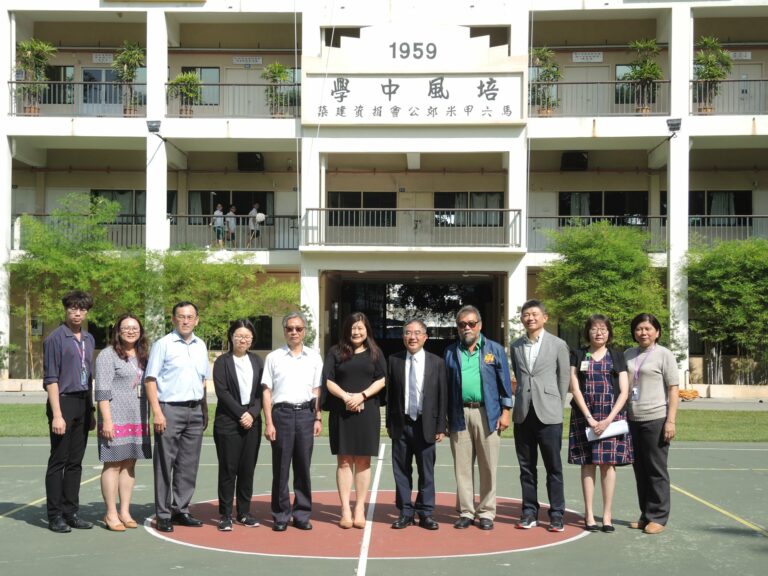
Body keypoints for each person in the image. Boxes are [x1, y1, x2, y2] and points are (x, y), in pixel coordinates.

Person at [444, 305, 512, 531]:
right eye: (462, 324)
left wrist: (506, 411)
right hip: (459, 413)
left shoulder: (494, 349)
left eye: (471, 323)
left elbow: (505, 383)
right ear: (457, 327)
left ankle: (486, 512)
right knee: (462, 467)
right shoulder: (450, 352)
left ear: (479, 325)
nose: (467, 328)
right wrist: (444, 417)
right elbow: (445, 387)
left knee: (488, 466)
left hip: (487, 413)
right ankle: (466, 511)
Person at [144, 301, 209, 533]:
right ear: (173, 319)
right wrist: (157, 412)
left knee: (188, 464)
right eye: (181, 316)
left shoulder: (201, 346)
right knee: (165, 463)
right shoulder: (163, 344)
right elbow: (150, 380)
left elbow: (202, 380)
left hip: (195, 410)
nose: (185, 321)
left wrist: (204, 410)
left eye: (190, 317)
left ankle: (181, 509)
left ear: (196, 320)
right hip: (169, 410)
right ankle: (163, 514)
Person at [568, 314, 633, 533]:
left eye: (603, 329)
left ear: (609, 333)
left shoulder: (617, 355)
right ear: (587, 332)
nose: (599, 333)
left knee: (608, 464)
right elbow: (575, 387)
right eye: (594, 329)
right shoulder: (578, 354)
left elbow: (624, 391)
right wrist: (590, 418)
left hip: (611, 417)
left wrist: (608, 420)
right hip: (584, 416)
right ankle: (589, 515)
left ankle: (606, 515)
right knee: (588, 463)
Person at [510, 299, 570, 532]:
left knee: (553, 467)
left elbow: (563, 378)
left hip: (549, 414)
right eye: (526, 315)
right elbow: (520, 376)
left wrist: (557, 405)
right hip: (523, 413)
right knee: (526, 468)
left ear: (545, 317)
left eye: (535, 314)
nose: (530, 318)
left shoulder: (558, 344)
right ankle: (529, 512)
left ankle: (556, 514)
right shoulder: (516, 346)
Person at [323, 312, 386, 529]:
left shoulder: (375, 352)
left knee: (363, 461)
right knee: (343, 461)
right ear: (346, 330)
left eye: (360, 328)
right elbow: (328, 379)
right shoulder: (335, 352)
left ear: (367, 329)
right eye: (353, 328)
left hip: (366, 412)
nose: (356, 332)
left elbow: (382, 379)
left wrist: (362, 396)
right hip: (342, 412)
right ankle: (345, 509)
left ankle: (359, 508)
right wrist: (346, 397)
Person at [262, 311, 324, 532]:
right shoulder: (273, 358)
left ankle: (301, 514)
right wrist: (269, 422)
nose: (294, 332)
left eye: (298, 328)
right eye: (290, 328)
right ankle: (280, 515)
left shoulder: (314, 357)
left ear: (304, 331)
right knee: (281, 468)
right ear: (284, 331)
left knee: (303, 467)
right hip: (282, 415)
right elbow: (267, 391)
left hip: (306, 414)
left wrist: (317, 417)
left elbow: (317, 390)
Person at [43, 290, 96, 533]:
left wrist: (91, 410)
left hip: (82, 402)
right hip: (62, 402)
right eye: (73, 308)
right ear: (65, 310)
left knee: (75, 462)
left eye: (82, 309)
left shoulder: (88, 338)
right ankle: (54, 515)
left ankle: (71, 512)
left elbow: (89, 377)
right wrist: (57, 414)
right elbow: (51, 379)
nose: (77, 313)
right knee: (59, 460)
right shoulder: (55, 338)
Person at [386, 319, 447, 530]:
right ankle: (405, 512)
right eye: (408, 333)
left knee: (426, 471)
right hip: (401, 424)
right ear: (403, 336)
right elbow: (390, 395)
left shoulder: (437, 362)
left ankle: (425, 512)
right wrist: (389, 423)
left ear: (425, 337)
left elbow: (442, 396)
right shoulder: (393, 361)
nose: (412, 337)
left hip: (426, 424)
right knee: (401, 471)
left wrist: (441, 426)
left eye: (417, 333)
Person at [95, 313, 152, 532]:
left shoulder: (143, 355)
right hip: (115, 417)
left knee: (130, 463)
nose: (131, 331)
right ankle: (110, 513)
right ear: (118, 331)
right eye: (126, 328)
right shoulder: (107, 355)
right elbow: (101, 391)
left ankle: (125, 511)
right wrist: (107, 421)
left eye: (135, 328)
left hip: (137, 416)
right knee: (113, 464)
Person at [624, 312, 679, 535]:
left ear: (657, 332)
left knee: (656, 470)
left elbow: (673, 389)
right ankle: (645, 515)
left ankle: (658, 517)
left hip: (656, 418)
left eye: (648, 329)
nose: (643, 332)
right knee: (640, 470)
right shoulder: (628, 354)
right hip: (632, 419)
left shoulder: (664, 355)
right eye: (639, 329)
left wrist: (670, 421)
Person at [212, 319, 264, 532]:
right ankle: (225, 515)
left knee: (247, 469)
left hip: (252, 422)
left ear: (252, 339)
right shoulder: (222, 362)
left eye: (247, 336)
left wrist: (252, 413)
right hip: (228, 422)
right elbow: (222, 392)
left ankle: (244, 512)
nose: (243, 340)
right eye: (239, 336)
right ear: (231, 337)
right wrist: (242, 414)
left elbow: (262, 392)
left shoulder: (258, 361)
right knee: (228, 469)